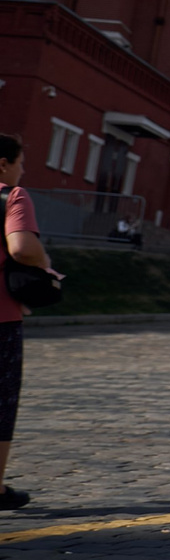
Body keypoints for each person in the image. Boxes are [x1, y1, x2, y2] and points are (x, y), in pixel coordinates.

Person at [0, 135, 64, 510]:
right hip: (1, 318)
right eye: (20, 163)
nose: (23, 171)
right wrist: (44, 261)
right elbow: (21, 247)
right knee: (1, 401)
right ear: (3, 163)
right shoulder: (12, 196)